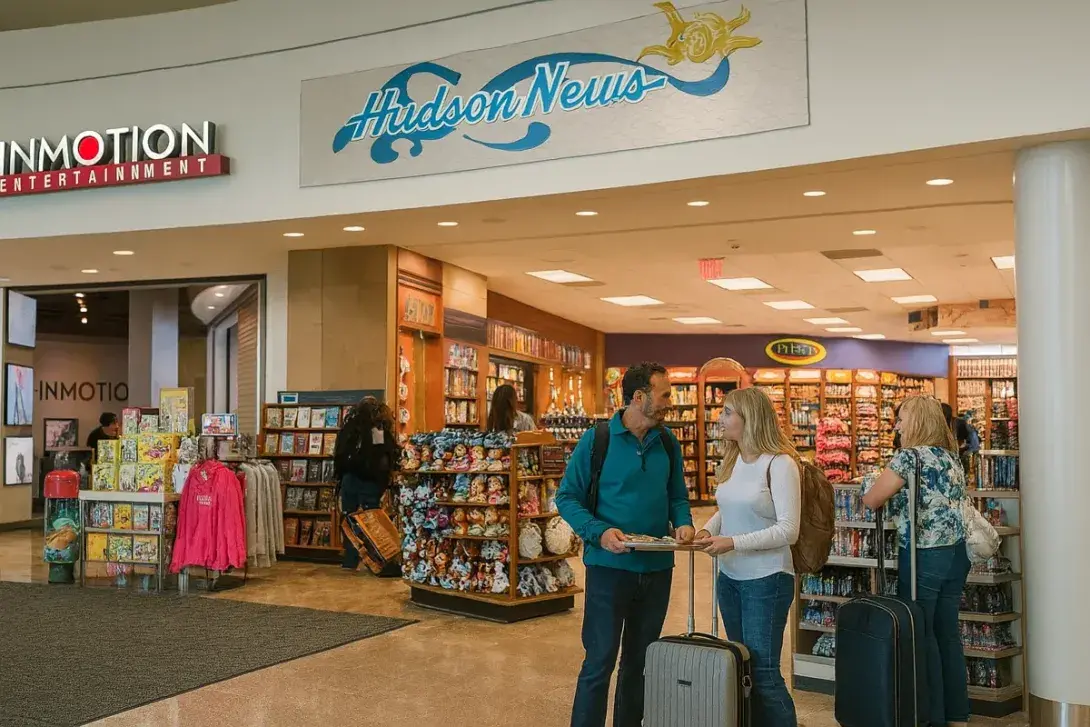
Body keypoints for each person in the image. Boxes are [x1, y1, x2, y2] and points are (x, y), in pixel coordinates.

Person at [556, 362, 694, 727]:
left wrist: (684, 524)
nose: (670, 402)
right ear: (639, 397)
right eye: (664, 394)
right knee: (599, 661)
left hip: (657, 570)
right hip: (608, 570)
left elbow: (677, 496)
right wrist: (599, 532)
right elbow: (567, 497)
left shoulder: (667, 442)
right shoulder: (597, 439)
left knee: (639, 663)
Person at [693, 387, 801, 727]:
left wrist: (734, 543)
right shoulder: (734, 459)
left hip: (767, 579)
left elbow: (788, 530)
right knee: (741, 667)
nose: (720, 418)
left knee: (765, 673)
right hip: (731, 579)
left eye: (727, 412)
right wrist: (708, 530)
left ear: (749, 418)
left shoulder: (781, 464)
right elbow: (726, 509)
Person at [861, 395, 970, 727]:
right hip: (957, 555)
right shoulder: (952, 458)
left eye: (902, 418)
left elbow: (873, 498)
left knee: (921, 632)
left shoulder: (908, 458)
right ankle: (957, 714)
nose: (897, 425)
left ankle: (931, 714)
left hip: (924, 554)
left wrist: (867, 480)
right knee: (947, 633)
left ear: (917, 421)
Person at [333, 397, 400, 571]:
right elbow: (383, 457)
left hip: (350, 478)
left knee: (348, 518)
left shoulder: (349, 429)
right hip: (370, 480)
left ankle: (351, 558)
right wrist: (384, 479)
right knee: (373, 519)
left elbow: (340, 455)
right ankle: (378, 557)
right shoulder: (379, 430)